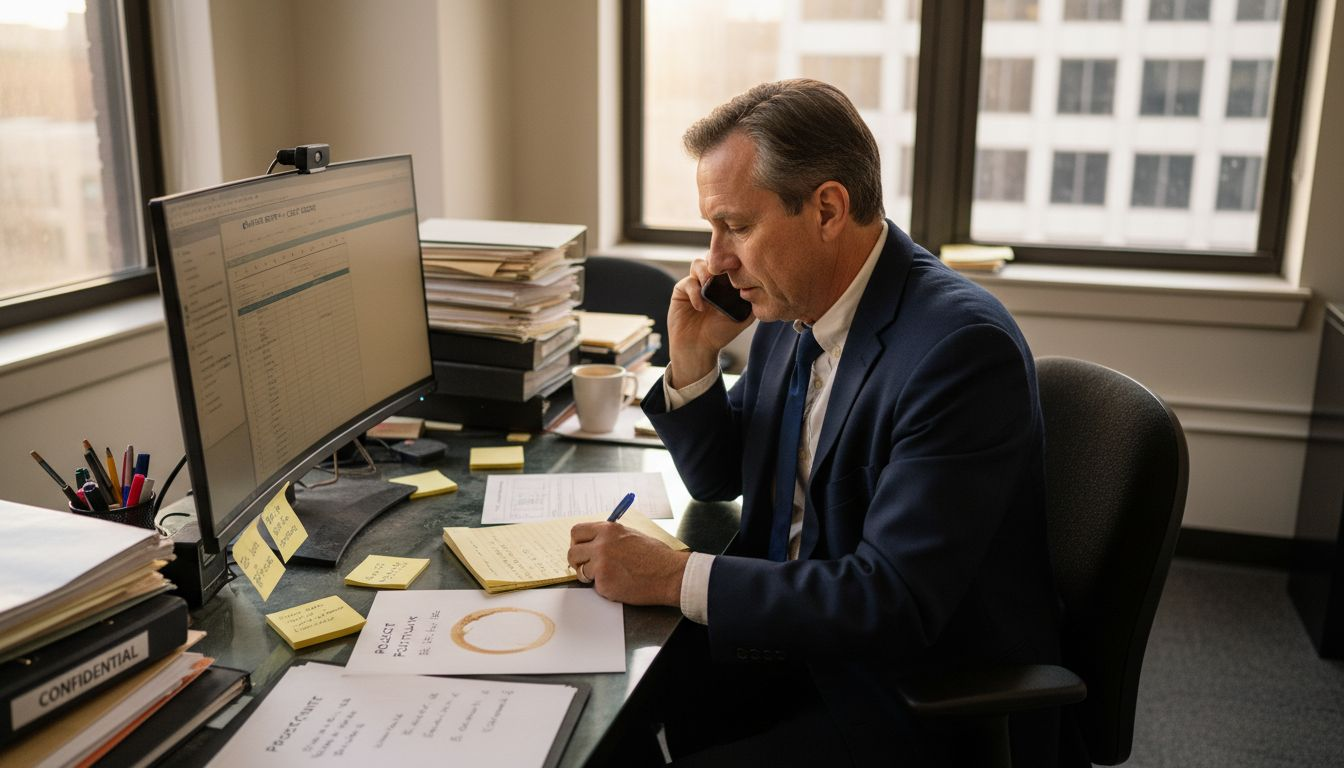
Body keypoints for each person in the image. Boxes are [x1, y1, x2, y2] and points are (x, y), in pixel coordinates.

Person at [568, 79, 1078, 766]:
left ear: (828, 209)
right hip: (789, 644)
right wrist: (692, 357)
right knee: (587, 711)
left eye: (737, 226)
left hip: (899, 696)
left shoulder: (958, 351)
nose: (716, 260)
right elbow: (719, 478)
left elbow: (890, 598)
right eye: (712, 230)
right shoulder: (793, 309)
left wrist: (673, 576)